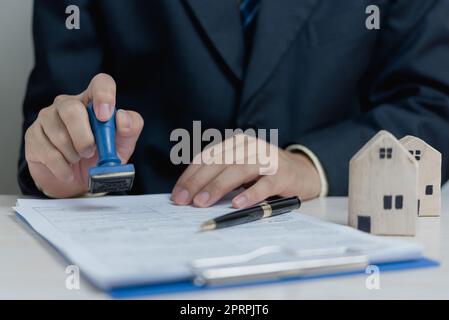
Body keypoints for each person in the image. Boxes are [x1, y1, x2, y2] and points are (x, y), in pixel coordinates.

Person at [19, 0, 449, 208]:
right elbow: (58, 108)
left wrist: (311, 166)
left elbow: (432, 108)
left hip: (331, 237)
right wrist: (66, 166)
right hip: (132, 236)